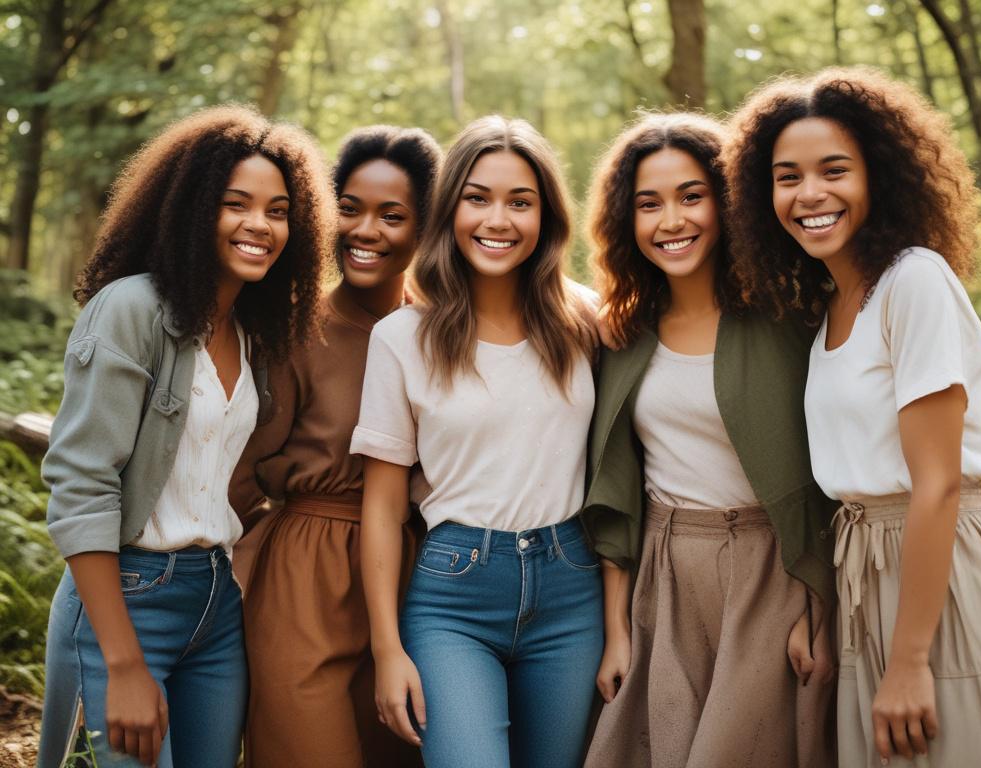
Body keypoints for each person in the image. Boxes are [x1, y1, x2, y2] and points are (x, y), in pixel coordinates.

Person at [726, 67, 981, 767]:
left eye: (835, 170)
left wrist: (910, 660)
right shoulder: (831, 306)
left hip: (935, 576)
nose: (809, 195)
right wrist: (831, 613)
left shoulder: (912, 280)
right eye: (786, 177)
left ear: (879, 177)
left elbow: (938, 485)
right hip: (864, 579)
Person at [36, 105, 333, 768]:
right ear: (194, 208)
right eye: (236, 204)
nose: (260, 224)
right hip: (128, 597)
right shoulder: (132, 309)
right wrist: (123, 662)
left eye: (279, 210)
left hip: (216, 602)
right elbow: (81, 487)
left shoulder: (252, 333)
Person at [580, 112, 836, 768]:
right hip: (661, 577)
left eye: (692, 196)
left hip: (770, 572)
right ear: (625, 221)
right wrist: (616, 632)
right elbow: (616, 489)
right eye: (649, 204)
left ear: (727, 204)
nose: (672, 221)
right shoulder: (624, 334)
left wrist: (818, 607)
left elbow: (822, 474)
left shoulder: (788, 316)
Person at [351, 115, 601, 768]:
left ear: (546, 216)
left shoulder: (588, 322)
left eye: (520, 202)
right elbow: (380, 505)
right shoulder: (403, 338)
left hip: (572, 588)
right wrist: (387, 649)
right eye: (477, 197)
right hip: (453, 595)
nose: (498, 219)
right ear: (449, 209)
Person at [228, 124, 441, 768]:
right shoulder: (294, 329)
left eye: (392, 215)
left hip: (415, 579)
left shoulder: (444, 332)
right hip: (306, 578)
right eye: (349, 209)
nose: (364, 230)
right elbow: (237, 472)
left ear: (428, 227)